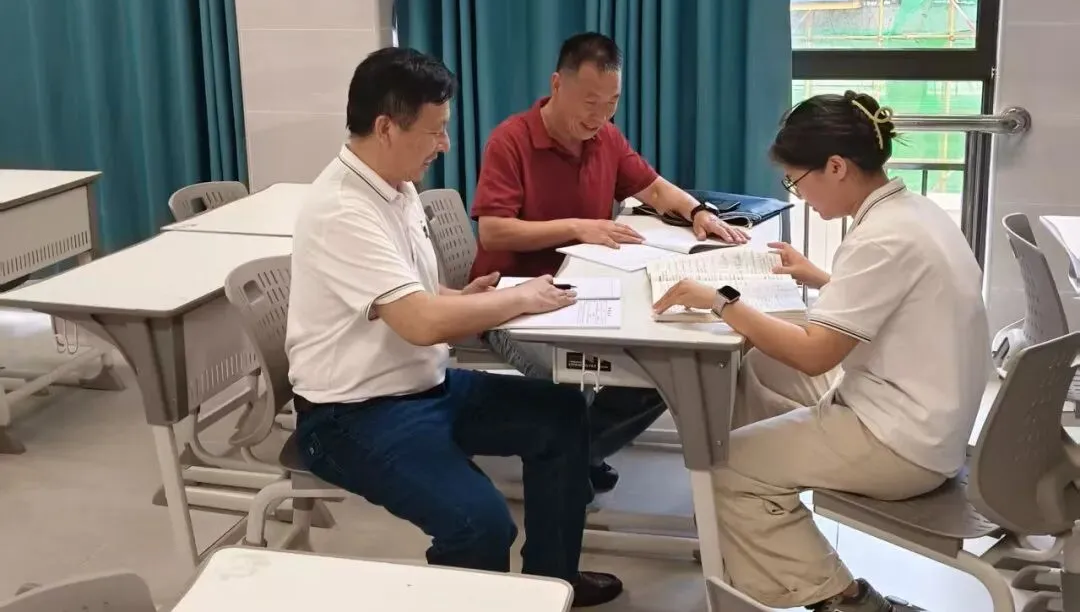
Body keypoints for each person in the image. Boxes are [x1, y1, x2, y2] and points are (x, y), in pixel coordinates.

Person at [286, 46, 624, 607]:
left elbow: (412, 294)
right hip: (351, 415)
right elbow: (418, 321)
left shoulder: (395, 186)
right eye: (435, 130)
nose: (445, 143)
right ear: (386, 128)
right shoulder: (343, 209)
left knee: (561, 413)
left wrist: (462, 299)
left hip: (424, 386)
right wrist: (520, 298)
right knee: (480, 524)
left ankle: (551, 584)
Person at [652, 91, 990, 612]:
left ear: (836, 166)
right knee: (758, 361)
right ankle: (750, 521)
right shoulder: (914, 211)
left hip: (903, 441)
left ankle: (847, 599)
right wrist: (819, 277)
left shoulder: (881, 238)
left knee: (723, 466)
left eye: (796, 179)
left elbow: (815, 356)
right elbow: (895, 307)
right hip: (921, 409)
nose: (799, 194)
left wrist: (722, 301)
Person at [470, 32, 747, 492]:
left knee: (665, 369)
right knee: (578, 378)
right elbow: (493, 230)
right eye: (590, 103)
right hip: (512, 304)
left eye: (612, 102)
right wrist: (577, 226)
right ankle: (568, 460)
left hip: (582, 293)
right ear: (557, 84)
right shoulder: (511, 140)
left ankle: (576, 455)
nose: (599, 116)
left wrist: (699, 212)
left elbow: (653, 187)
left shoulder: (605, 138)